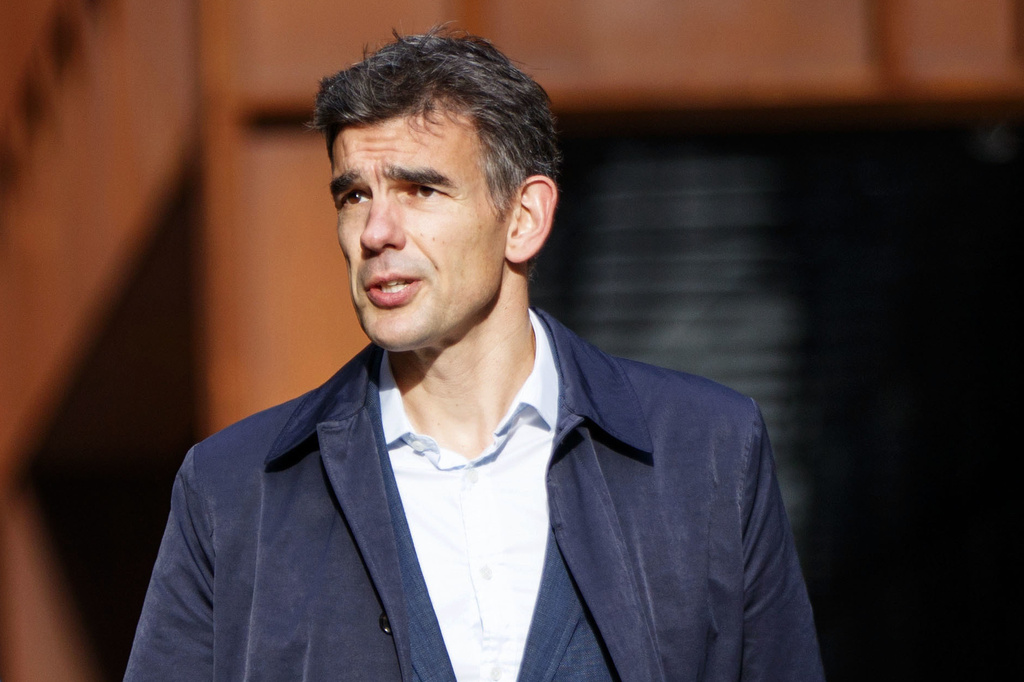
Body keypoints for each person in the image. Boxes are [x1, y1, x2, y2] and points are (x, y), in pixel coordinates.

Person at [125, 29, 824, 681]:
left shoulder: (706, 451)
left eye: (420, 190)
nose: (375, 232)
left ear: (523, 219)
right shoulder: (236, 490)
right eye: (353, 196)